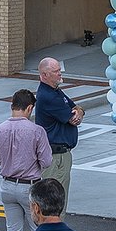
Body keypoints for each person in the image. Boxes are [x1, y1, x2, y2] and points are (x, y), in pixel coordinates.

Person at [0, 89, 53, 231]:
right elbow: (46, 161)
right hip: (29, 187)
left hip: (7, 185)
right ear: (30, 108)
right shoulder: (37, 131)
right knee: (37, 230)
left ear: (12, 106)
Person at [34, 58, 83, 194]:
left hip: (61, 153)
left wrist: (79, 111)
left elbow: (76, 107)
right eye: (56, 71)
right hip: (55, 156)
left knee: (59, 196)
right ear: (45, 75)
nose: (60, 73)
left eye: (59, 70)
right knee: (54, 197)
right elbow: (73, 119)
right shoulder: (48, 96)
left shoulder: (56, 91)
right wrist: (77, 113)